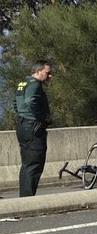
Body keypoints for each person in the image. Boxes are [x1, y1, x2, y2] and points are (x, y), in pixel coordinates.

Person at [14, 60, 53, 197]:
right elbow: (31, 101)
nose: (50, 76)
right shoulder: (35, 85)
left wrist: (22, 116)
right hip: (33, 126)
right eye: (47, 73)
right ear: (38, 71)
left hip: (22, 125)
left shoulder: (22, 83)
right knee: (34, 163)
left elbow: (16, 102)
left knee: (27, 163)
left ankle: (24, 198)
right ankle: (27, 199)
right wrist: (40, 118)